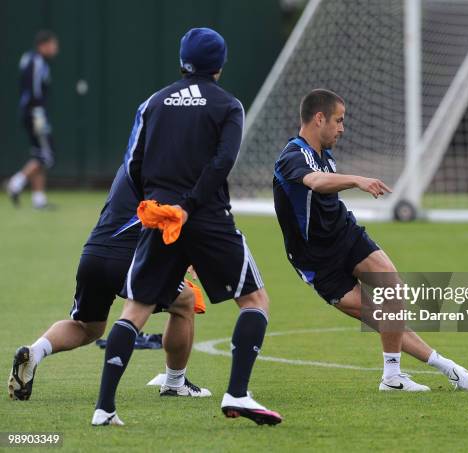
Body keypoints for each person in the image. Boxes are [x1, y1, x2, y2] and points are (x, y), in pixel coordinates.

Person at [93, 27, 282, 426]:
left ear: (182, 59)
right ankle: (238, 394)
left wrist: (158, 203)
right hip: (207, 217)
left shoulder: (153, 103)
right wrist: (190, 206)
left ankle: (105, 408)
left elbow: (134, 164)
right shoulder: (228, 105)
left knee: (137, 308)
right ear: (220, 64)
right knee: (254, 301)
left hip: (160, 219)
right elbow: (222, 163)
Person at [273, 88, 468, 392]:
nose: (342, 128)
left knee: (393, 288)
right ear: (319, 119)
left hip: (345, 235)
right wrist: (357, 179)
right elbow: (315, 182)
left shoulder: (324, 155)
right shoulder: (292, 156)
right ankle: (445, 367)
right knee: (380, 315)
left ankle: (393, 375)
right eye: (339, 120)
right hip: (318, 261)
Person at [8, 165, 210, 421]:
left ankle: (35, 352)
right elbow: (169, 215)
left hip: (93, 252)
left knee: (87, 327)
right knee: (185, 302)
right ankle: (174, 383)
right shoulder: (166, 170)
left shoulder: (128, 166)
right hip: (131, 256)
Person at [6, 30, 59, 209]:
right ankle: (16, 183)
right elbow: (35, 91)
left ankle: (39, 199)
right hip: (35, 113)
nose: (55, 48)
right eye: (52, 44)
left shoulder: (30, 59)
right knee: (47, 155)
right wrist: (38, 113)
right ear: (43, 45)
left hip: (30, 111)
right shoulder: (36, 61)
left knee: (38, 153)